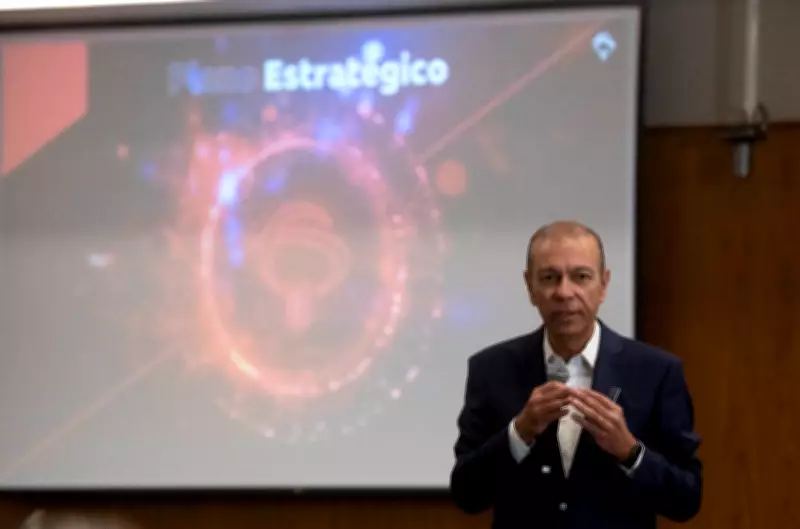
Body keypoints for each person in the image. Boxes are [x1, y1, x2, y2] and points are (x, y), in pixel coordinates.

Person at [450, 221, 702, 529]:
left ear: (603, 285)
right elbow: (467, 494)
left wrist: (629, 451)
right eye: (549, 278)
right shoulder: (491, 369)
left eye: (581, 277)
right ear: (530, 287)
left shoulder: (656, 371)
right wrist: (520, 432)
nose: (564, 292)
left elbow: (687, 498)